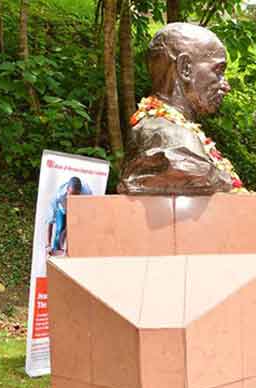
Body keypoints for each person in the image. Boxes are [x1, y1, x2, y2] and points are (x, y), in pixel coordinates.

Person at [118, 22, 242, 195]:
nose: (226, 85)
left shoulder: (174, 131)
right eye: (218, 71)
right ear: (185, 68)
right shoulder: (169, 136)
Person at [46, 176, 91, 255]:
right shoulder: (58, 196)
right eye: (71, 194)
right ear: (67, 190)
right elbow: (50, 222)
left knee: (75, 229)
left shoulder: (87, 193)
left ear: (80, 192)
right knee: (60, 228)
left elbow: (89, 211)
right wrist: (48, 244)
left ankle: (72, 251)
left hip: (78, 209)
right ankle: (56, 250)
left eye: (76, 195)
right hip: (62, 209)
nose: (72, 198)